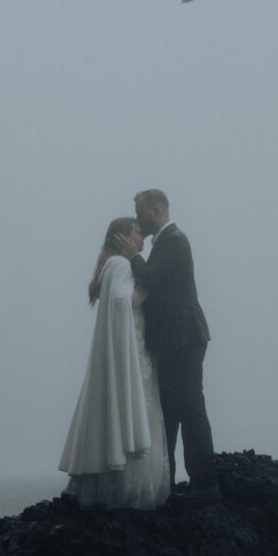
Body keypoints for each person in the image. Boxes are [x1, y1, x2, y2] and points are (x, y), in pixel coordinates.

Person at [116, 189, 220, 504]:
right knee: (172, 412)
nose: (137, 218)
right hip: (174, 341)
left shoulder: (175, 241)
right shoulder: (164, 244)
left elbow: (150, 278)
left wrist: (132, 255)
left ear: (158, 209)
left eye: (140, 211)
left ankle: (205, 484)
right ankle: (170, 481)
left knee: (190, 408)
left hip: (185, 340)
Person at [58, 217, 170, 509]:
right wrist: (151, 290)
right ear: (122, 237)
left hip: (131, 346)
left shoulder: (113, 265)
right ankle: (129, 487)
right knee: (136, 408)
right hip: (132, 349)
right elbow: (124, 301)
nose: (142, 239)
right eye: (137, 234)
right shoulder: (121, 265)